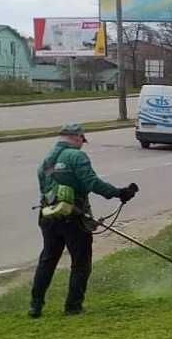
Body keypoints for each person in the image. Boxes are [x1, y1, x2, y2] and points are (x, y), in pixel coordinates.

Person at [29, 123, 137, 318]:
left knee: (48, 260)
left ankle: (35, 306)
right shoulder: (76, 156)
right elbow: (92, 182)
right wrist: (119, 193)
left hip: (48, 215)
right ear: (77, 137)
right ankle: (73, 307)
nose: (82, 144)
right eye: (82, 140)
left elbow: (44, 187)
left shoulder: (46, 161)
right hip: (74, 217)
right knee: (80, 262)